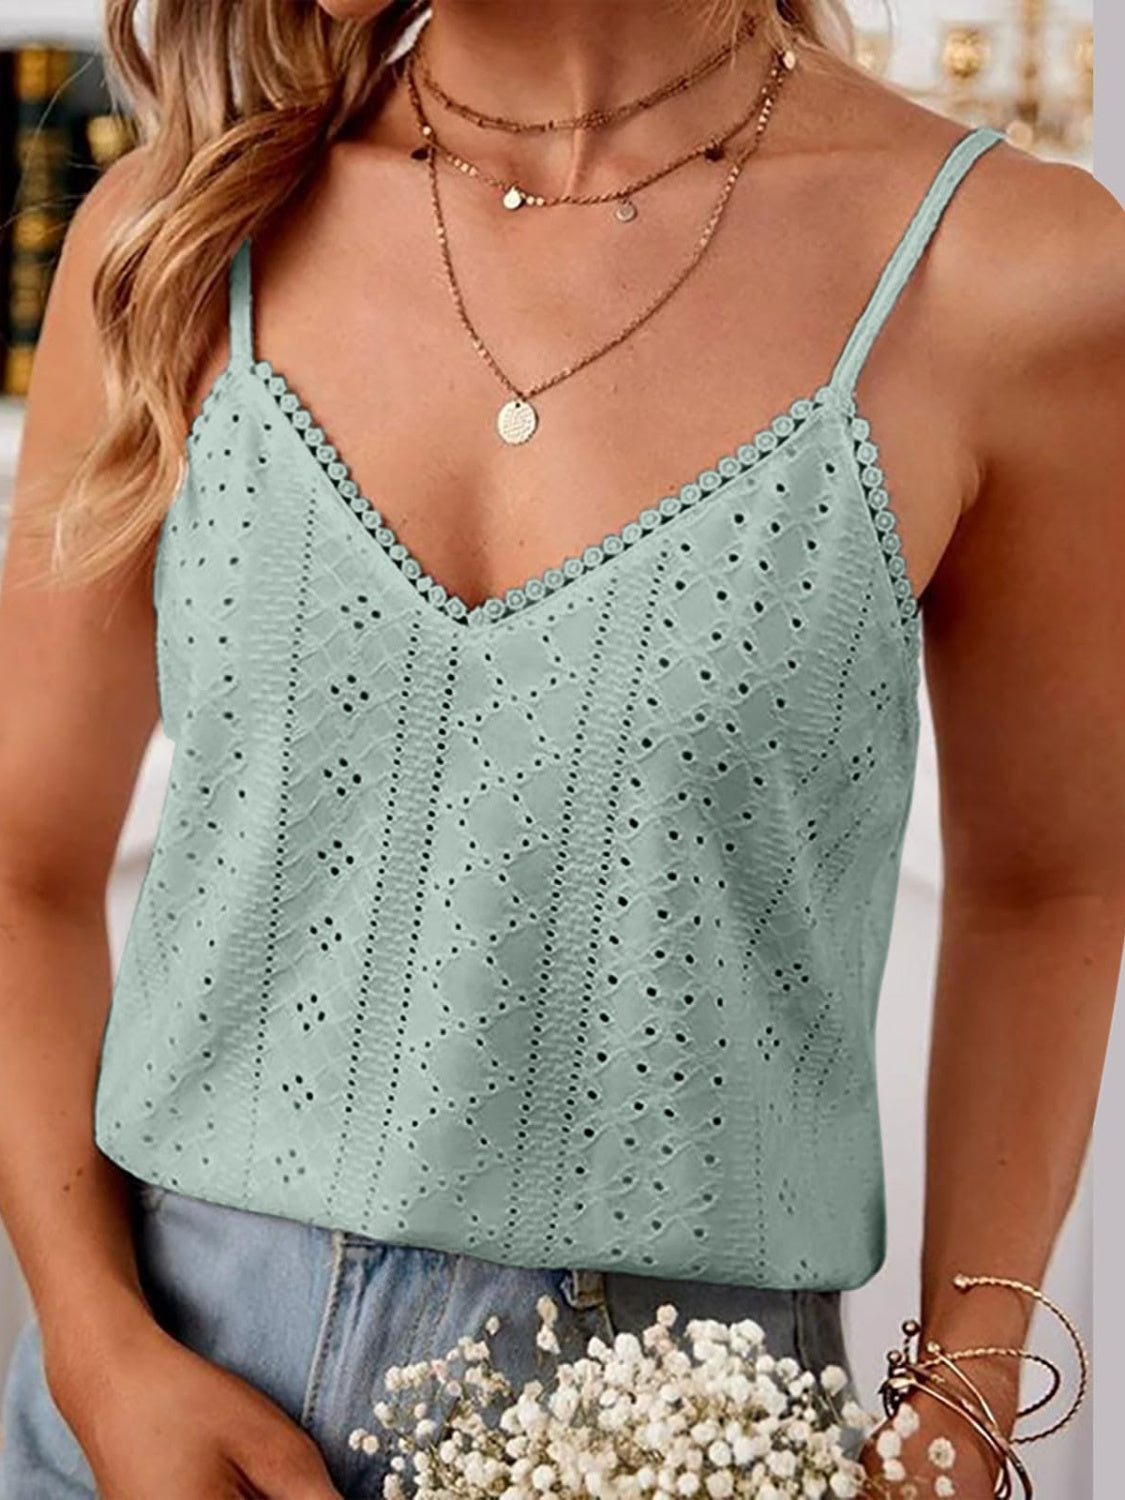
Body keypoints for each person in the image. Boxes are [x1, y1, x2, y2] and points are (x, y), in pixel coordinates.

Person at [0, 0, 1123, 1495]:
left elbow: (1048, 887)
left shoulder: (1004, 272)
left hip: (683, 1426)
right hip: (157, 1395)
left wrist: (959, 1417)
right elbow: (19, 865)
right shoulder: (179, 236)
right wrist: (95, 1356)